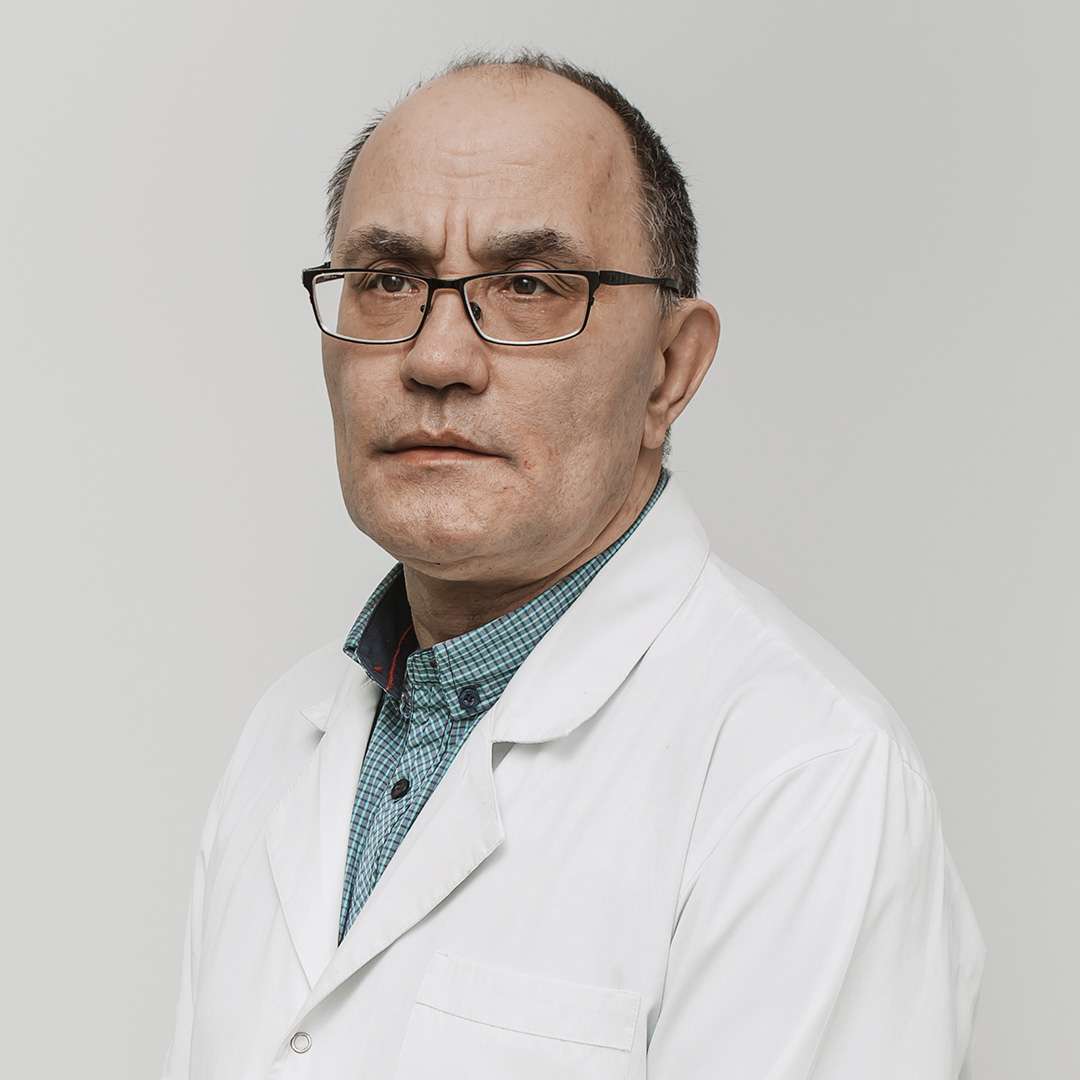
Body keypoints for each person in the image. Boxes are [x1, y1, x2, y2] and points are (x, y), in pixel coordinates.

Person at [162, 48, 986, 1080]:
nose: (436, 358)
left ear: (670, 370)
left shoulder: (806, 778)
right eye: (389, 280)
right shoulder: (285, 733)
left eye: (528, 285)